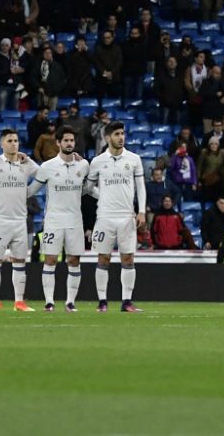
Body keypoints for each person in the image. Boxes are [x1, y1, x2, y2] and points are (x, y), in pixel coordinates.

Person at [88, 120, 147, 312]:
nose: (121, 137)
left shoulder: (134, 159)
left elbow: (140, 187)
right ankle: (102, 302)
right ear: (107, 138)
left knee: (128, 258)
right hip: (104, 217)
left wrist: (142, 211)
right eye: (116, 134)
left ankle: (126, 302)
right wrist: (102, 195)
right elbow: (88, 188)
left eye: (122, 133)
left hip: (126, 217)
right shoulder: (97, 162)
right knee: (103, 258)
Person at [0, 129, 38, 311]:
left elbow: (43, 175)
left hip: (20, 221)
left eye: (16, 140)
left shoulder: (25, 164)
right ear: (1, 144)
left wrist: (28, 191)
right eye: (10, 140)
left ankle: (19, 302)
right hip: (0, 221)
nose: (14, 143)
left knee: (20, 262)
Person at [32, 126, 89, 311]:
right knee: (50, 260)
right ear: (58, 142)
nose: (69, 143)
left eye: (72, 140)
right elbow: (32, 190)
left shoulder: (83, 164)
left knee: (74, 261)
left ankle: (70, 302)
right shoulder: (47, 167)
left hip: (75, 221)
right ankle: (49, 302)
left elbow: (89, 189)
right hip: (53, 221)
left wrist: (107, 196)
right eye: (66, 140)